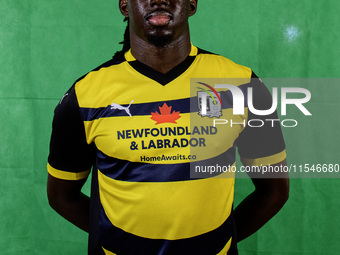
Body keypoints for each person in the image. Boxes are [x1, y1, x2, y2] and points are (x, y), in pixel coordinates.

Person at [47, 0, 289, 254]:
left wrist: (220, 241)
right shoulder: (85, 96)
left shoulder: (241, 85)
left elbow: (274, 191)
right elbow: (62, 196)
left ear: (192, 5)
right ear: (124, 5)